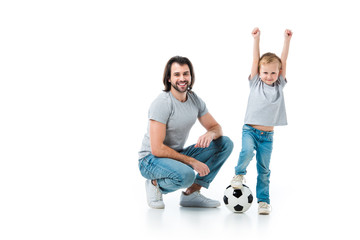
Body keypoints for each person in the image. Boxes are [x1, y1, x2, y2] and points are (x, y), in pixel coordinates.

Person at [139, 56, 233, 209]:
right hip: (150, 159)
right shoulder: (162, 103)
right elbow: (156, 148)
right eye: (177, 74)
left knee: (225, 143)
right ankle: (155, 184)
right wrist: (192, 162)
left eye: (185, 74)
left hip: (176, 155)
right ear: (169, 78)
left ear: (190, 76)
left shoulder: (194, 100)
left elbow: (216, 128)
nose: (182, 78)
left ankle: (192, 193)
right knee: (187, 175)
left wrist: (210, 133)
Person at [230, 28, 293, 215]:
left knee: (264, 169)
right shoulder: (256, 81)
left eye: (273, 73)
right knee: (247, 151)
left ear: (278, 72)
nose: (269, 76)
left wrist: (287, 41)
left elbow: (284, 60)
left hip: (267, 136)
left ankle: (263, 202)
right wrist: (257, 39)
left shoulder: (279, 84)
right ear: (259, 71)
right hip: (250, 130)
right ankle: (239, 173)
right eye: (265, 72)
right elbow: (255, 59)